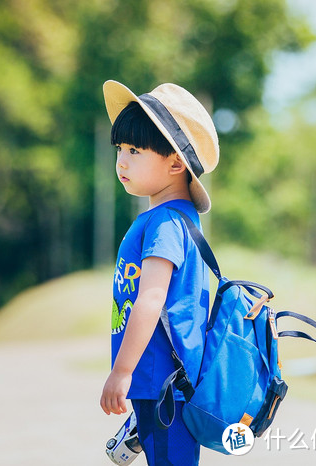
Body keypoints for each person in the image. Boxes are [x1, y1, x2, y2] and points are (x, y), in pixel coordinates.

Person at [100, 80, 220, 465]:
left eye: (135, 150)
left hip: (162, 385)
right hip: (163, 384)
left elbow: (152, 297)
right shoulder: (174, 219)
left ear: (174, 163)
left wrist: (122, 372)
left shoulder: (165, 223)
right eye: (120, 149)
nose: (122, 161)